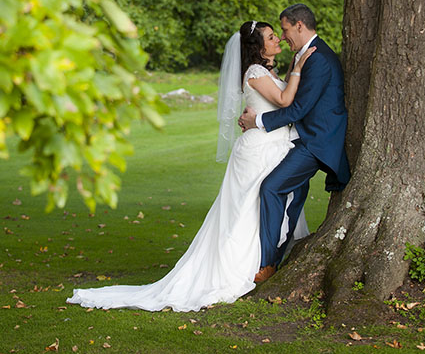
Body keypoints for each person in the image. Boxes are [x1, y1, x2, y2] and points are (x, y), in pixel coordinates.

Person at [66, 20, 314, 312]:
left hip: (271, 146)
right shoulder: (255, 72)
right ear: (258, 48)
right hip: (258, 150)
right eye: (271, 37)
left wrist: (291, 71)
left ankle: (265, 261)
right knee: (246, 209)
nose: (277, 40)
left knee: (261, 205)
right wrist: (299, 67)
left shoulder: (267, 72)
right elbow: (284, 100)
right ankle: (246, 266)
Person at [238, 4, 349, 284]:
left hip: (315, 140)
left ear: (299, 25)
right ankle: (275, 257)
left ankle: (267, 264)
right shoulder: (305, 55)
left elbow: (297, 108)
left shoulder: (318, 58)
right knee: (294, 193)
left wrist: (257, 121)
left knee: (272, 188)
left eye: (284, 30)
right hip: (301, 137)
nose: (283, 36)